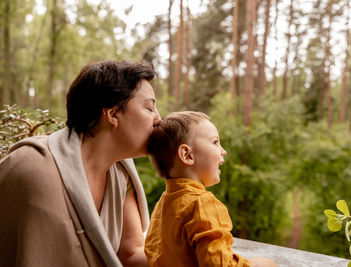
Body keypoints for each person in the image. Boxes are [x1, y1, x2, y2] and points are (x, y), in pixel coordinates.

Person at [0, 60, 161, 267]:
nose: (158, 119)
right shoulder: (31, 169)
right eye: (149, 108)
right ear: (112, 114)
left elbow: (130, 254)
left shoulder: (120, 177)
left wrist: (190, 249)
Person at [145, 111, 277, 267]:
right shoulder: (202, 205)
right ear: (187, 155)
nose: (223, 151)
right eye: (215, 142)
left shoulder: (163, 205)